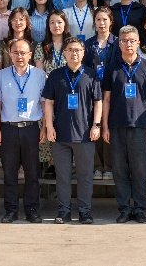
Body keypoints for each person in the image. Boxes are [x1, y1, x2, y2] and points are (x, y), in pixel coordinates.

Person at [103, 26, 146, 223]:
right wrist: (104, 126)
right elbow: (106, 99)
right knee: (119, 169)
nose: (128, 44)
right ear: (119, 43)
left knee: (139, 169)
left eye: (132, 40)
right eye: (124, 40)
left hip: (140, 124)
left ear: (138, 43)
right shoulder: (111, 68)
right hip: (116, 124)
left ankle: (139, 208)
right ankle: (124, 208)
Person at [43, 37, 102, 224]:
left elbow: (98, 102)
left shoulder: (91, 75)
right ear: (64, 53)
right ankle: (64, 211)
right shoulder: (55, 75)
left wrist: (96, 125)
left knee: (85, 176)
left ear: (83, 53)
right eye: (70, 50)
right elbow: (48, 103)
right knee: (63, 177)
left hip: (85, 134)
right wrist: (49, 126)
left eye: (78, 50)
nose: (74, 53)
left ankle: (85, 211)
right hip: (60, 134)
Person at [0, 39, 46, 223]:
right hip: (8, 128)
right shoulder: (1, 75)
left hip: (31, 128)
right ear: (10, 55)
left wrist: (44, 127)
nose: (19, 56)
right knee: (9, 173)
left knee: (32, 173)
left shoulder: (39, 75)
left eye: (23, 53)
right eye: (15, 52)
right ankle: (11, 210)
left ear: (30, 55)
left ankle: (32, 209)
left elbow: (44, 103)